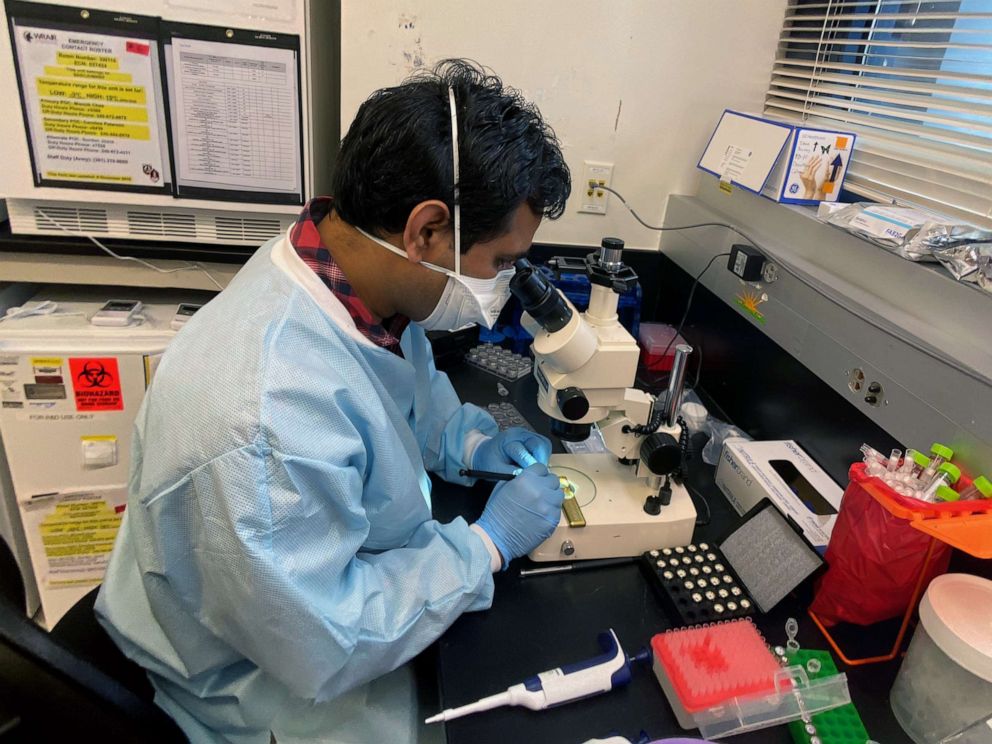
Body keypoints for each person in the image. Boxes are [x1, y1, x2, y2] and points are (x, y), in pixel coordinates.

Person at [95, 59, 572, 744]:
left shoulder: (344, 269)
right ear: (428, 231)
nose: (502, 283)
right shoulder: (264, 417)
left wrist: (467, 443)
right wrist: (485, 549)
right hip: (267, 688)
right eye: (500, 261)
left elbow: (397, 394)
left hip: (282, 609)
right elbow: (330, 636)